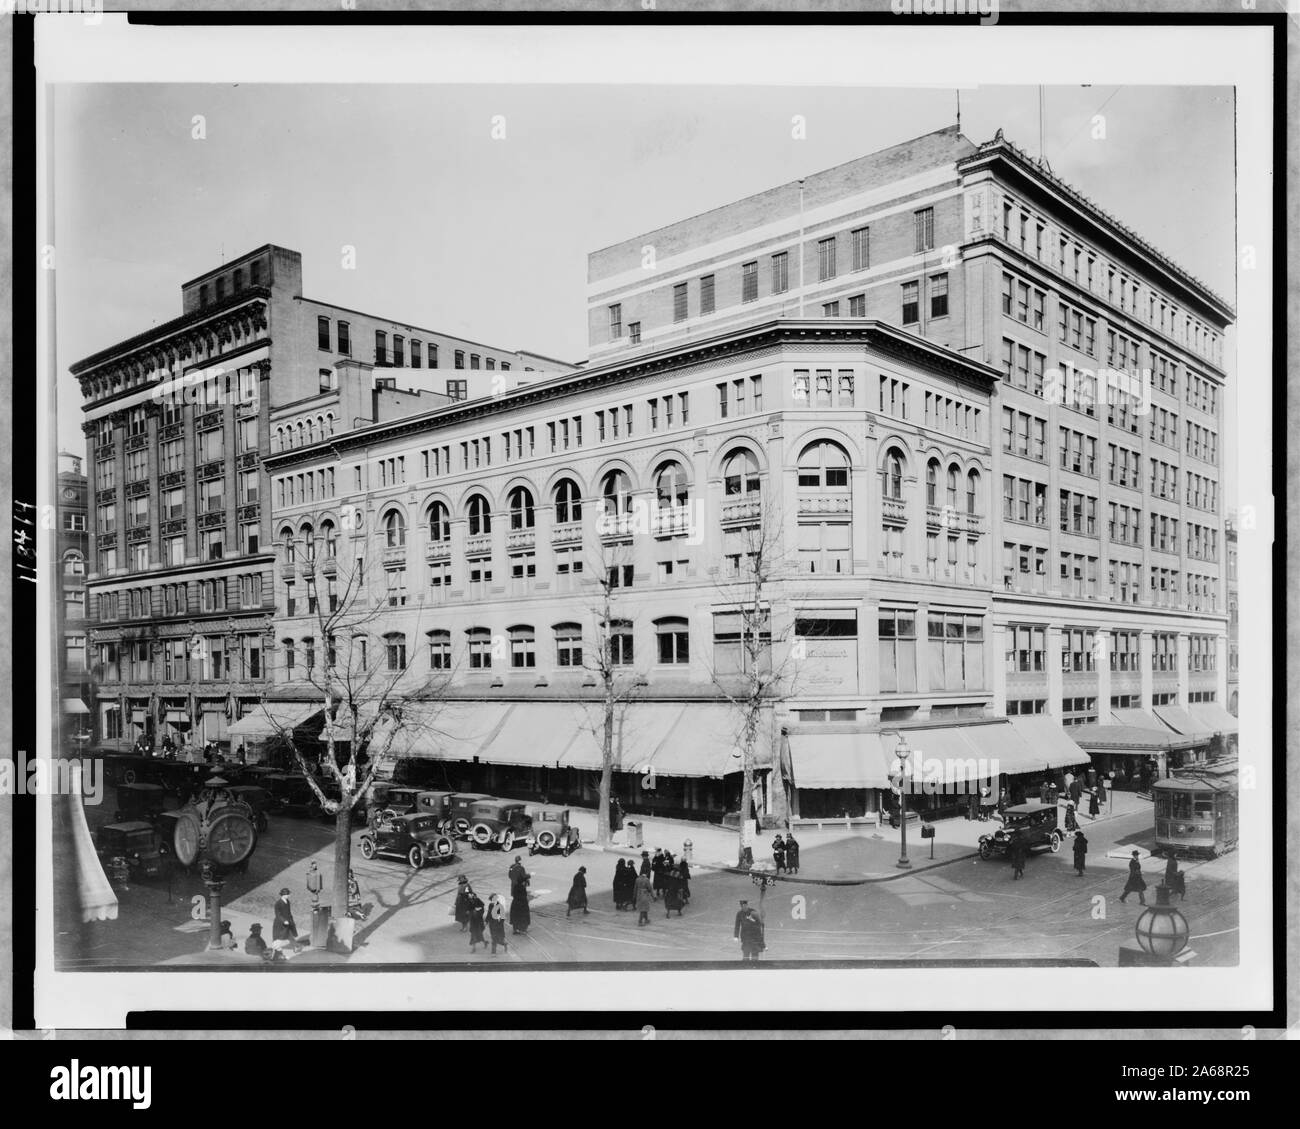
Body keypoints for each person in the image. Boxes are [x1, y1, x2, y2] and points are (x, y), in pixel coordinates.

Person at [272, 888, 298, 953]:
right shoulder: (278, 903)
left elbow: (289, 912)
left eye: (288, 894)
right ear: (283, 895)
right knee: (280, 937)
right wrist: (284, 921)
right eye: (287, 894)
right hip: (281, 923)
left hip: (288, 921)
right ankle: (275, 949)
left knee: (290, 935)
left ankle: (295, 947)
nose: (289, 895)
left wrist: (291, 921)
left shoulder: (287, 901)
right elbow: (278, 914)